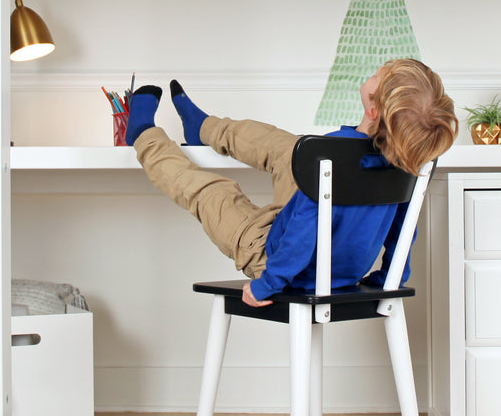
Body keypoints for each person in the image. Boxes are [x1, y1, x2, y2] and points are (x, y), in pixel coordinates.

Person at [124, 59, 458, 308]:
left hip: (278, 261)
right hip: (331, 264)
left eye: (376, 76)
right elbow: (403, 232)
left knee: (213, 193)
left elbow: (301, 234)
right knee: (293, 149)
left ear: (373, 109)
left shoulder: (334, 152)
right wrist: (391, 278)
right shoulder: (404, 162)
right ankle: (203, 129)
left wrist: (267, 285)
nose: (371, 74)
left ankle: (142, 135)